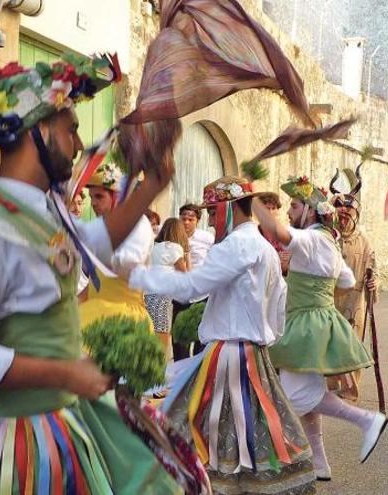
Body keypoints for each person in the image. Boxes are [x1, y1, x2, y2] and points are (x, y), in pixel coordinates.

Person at [0, 54, 180, 494]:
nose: (79, 144)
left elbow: (91, 245)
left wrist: (150, 188)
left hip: (60, 422)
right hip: (7, 444)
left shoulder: (44, 209)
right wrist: (66, 373)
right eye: (71, 129)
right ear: (38, 132)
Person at [128, 176, 315, 494]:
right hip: (253, 355)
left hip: (229, 355)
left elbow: (192, 287)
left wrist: (139, 276)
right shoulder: (264, 249)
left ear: (228, 210)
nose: (211, 221)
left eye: (213, 212)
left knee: (198, 428)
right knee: (244, 434)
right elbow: (278, 306)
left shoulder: (236, 245)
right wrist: (262, 340)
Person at [255, 175, 388, 481]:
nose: (289, 211)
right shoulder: (329, 241)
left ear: (310, 211)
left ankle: (367, 420)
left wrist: (253, 203)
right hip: (317, 321)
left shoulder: (313, 238)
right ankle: (320, 463)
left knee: (290, 397)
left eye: (295, 205)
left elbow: (278, 232)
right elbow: (347, 281)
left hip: (305, 325)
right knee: (307, 395)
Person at [76, 162, 155, 332]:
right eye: (91, 197)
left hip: (123, 316)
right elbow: (95, 284)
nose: (93, 204)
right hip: (94, 312)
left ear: (117, 197)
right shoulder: (99, 227)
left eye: (99, 197)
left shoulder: (138, 223)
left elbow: (129, 264)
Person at [329, 186, 378, 403]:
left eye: (349, 214)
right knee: (329, 342)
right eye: (341, 214)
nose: (345, 218)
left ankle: (351, 388)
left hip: (355, 300)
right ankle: (331, 385)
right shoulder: (329, 236)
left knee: (352, 345)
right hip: (330, 299)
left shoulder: (364, 241)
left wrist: (374, 281)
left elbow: (373, 267)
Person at [143, 217, 190, 362]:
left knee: (152, 332)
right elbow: (185, 274)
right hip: (163, 295)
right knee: (162, 334)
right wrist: (187, 257)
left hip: (150, 293)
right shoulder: (175, 248)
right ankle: (157, 370)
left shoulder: (155, 247)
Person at [173, 203, 214, 359]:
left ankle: (198, 378)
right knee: (179, 341)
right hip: (180, 297)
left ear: (197, 220)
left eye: (191, 219)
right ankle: (180, 379)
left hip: (201, 296)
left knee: (201, 340)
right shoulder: (172, 238)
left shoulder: (207, 239)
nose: (186, 222)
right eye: (183, 218)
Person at [258, 191, 290, 274]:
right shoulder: (254, 233)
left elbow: (288, 269)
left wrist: (285, 265)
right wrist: (275, 258)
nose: (271, 212)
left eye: (273, 208)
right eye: (267, 208)